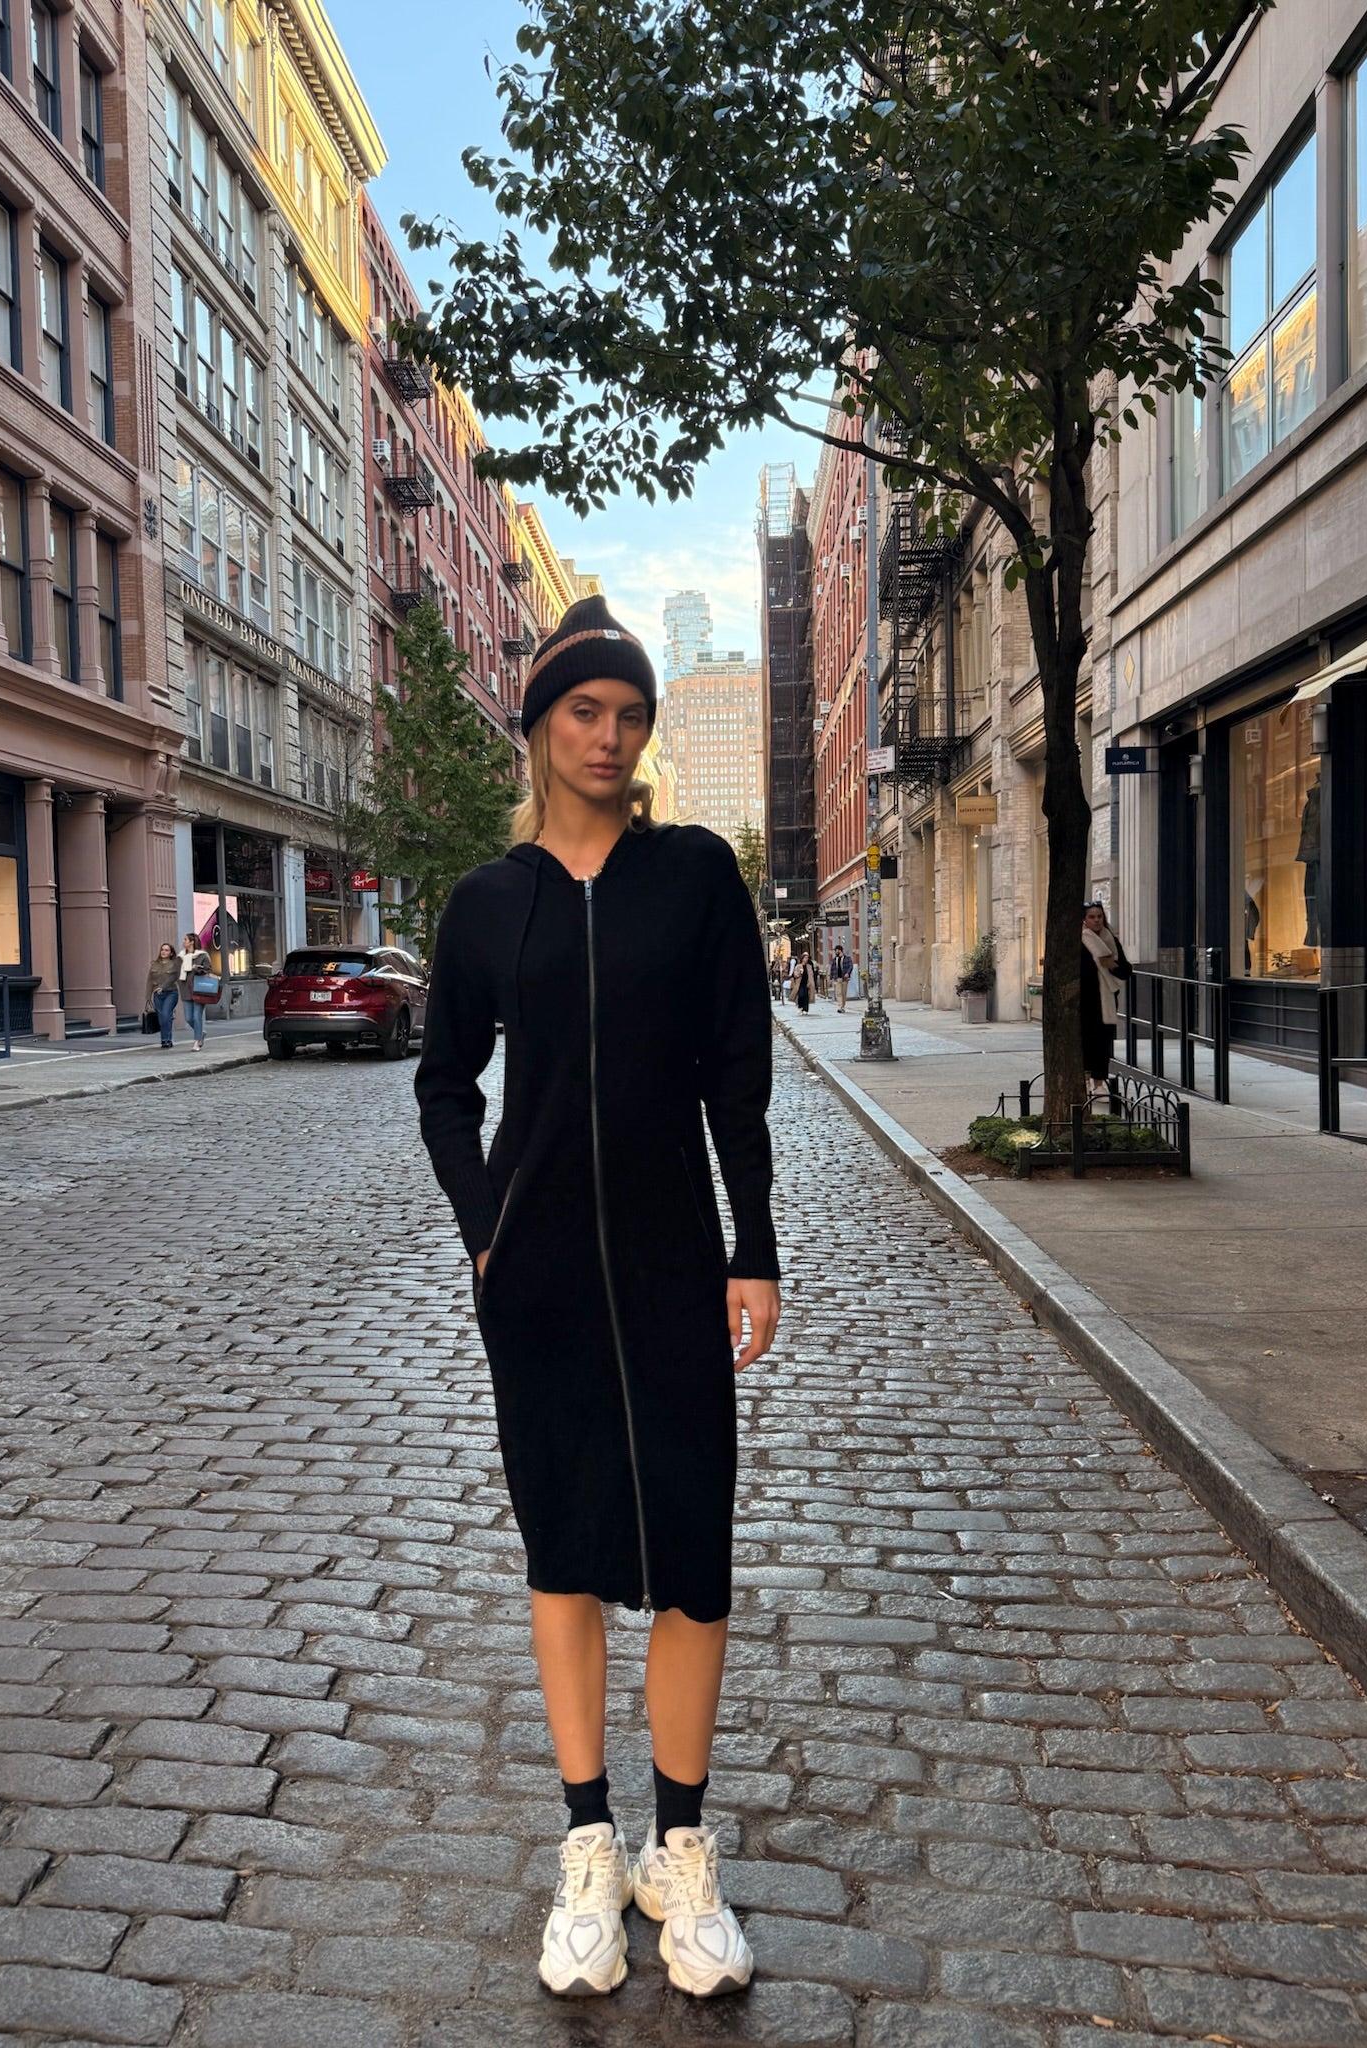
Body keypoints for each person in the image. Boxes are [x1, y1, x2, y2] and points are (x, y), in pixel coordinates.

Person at [416, 595, 781, 2002]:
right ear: (539, 727)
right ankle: (588, 1841)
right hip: (543, 1274)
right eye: (585, 711)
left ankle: (677, 1850)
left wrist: (754, 1244)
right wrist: (485, 1226)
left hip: (677, 1257)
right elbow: (445, 1086)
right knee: (562, 1545)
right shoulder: (485, 902)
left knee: (692, 1548)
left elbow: (737, 1077)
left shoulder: (693, 876)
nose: (610, 737)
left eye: (631, 715)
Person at [1079, 900, 1131, 1093]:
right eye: (1092, 917)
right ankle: (1084, 1080)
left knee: (1103, 1042)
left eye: (1099, 916)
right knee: (1086, 1041)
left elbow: (1126, 970)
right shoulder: (1080, 941)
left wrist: (1112, 965)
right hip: (1085, 1001)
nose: (1096, 920)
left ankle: (1099, 1084)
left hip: (1106, 1000)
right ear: (1084, 920)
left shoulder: (1111, 940)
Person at [177, 932, 213, 1049]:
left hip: (199, 989)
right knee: (189, 1018)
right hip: (185, 990)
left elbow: (208, 969)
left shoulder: (202, 955)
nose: (183, 942)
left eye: (185, 940)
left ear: (191, 942)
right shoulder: (180, 957)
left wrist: (198, 969)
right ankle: (201, 1032)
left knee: (197, 1017)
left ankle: (196, 1042)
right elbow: (177, 972)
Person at [145, 943, 181, 1050]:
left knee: (165, 1014)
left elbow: (173, 978)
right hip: (157, 995)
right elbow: (150, 981)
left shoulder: (174, 964)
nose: (163, 952)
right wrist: (148, 996)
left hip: (171, 993)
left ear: (171, 953)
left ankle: (166, 1040)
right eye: (162, 950)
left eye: (166, 950)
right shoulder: (155, 964)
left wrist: (163, 987)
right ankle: (166, 1039)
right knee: (162, 1018)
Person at [792, 949, 816, 1014]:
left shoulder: (809, 966)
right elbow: (795, 974)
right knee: (801, 995)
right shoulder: (798, 966)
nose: (806, 959)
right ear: (802, 958)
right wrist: (799, 973)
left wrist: (812, 983)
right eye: (805, 958)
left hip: (807, 983)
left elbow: (812, 975)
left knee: (806, 996)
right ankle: (800, 1007)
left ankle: (805, 1009)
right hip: (800, 983)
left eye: (807, 958)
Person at [836, 948, 854, 1014]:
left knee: (843, 993)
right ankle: (840, 1006)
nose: (836, 952)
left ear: (840, 950)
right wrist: (832, 976)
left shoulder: (847, 958)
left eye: (837, 950)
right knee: (838, 993)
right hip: (837, 978)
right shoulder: (835, 959)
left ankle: (843, 1006)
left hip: (844, 978)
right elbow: (833, 967)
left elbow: (851, 966)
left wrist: (848, 973)